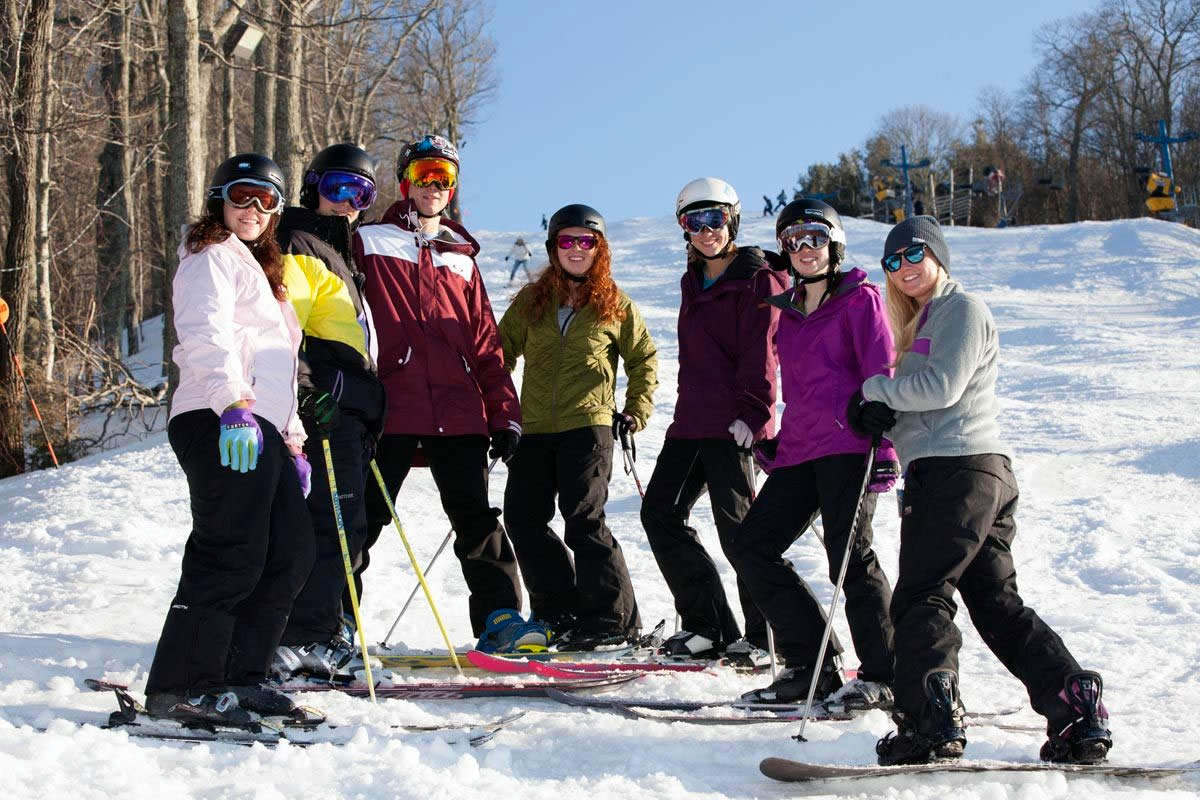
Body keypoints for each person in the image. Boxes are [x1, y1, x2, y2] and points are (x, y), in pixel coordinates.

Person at [857, 216, 1111, 766]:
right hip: (969, 476)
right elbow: (923, 406)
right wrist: (881, 418)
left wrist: (876, 391)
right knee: (995, 604)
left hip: (957, 472)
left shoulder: (961, 309)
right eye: (892, 262)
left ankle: (930, 722)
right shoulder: (926, 321)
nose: (903, 269)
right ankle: (1074, 707)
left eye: (914, 254)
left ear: (939, 256)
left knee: (922, 596)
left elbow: (942, 388)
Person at [144, 154, 313, 724]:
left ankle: (242, 676)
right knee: (231, 552)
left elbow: (279, 368)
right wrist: (233, 405)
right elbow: (204, 335)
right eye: (244, 195)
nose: (254, 210)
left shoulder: (266, 279)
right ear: (220, 198)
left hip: (262, 428)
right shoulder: (209, 256)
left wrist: (293, 439)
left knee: (290, 553)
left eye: (269, 201)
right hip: (217, 416)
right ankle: (183, 687)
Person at [352, 134, 527, 642]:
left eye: (445, 177)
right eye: (425, 172)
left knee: (477, 520)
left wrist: (503, 413)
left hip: (458, 409)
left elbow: (486, 344)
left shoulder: (462, 259)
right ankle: (334, 621)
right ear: (406, 180)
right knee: (364, 515)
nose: (434, 184)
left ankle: (502, 619)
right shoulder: (370, 241)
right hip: (391, 406)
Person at [728, 199, 898, 707]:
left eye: (815, 237)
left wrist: (883, 441)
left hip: (850, 445)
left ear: (834, 244)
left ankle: (884, 674)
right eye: (793, 241)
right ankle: (813, 665)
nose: (804, 249)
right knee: (752, 546)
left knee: (849, 559)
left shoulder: (860, 299)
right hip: (802, 451)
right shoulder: (788, 314)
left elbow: (881, 368)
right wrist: (780, 440)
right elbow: (797, 390)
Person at [639, 178, 786, 663]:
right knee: (659, 513)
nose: (706, 231)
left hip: (734, 423)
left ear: (733, 220)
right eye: (693, 221)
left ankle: (765, 636)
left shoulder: (758, 279)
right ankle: (710, 627)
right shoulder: (691, 280)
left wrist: (754, 414)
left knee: (740, 532)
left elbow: (762, 352)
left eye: (715, 219)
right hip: (691, 422)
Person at [499, 204, 657, 649]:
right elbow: (498, 353)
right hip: (532, 430)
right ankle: (560, 612)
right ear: (553, 247)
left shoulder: (615, 304)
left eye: (585, 241)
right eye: (567, 241)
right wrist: (497, 409)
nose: (576, 249)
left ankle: (613, 621)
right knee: (523, 519)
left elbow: (644, 359)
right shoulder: (531, 302)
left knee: (584, 520)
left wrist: (635, 409)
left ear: (599, 249)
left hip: (588, 426)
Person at [271, 143, 387, 681]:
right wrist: (311, 389)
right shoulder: (298, 241)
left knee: (349, 526)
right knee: (333, 523)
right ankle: (308, 636)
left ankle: (322, 627)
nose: (348, 202)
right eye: (338, 187)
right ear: (312, 186)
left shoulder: (340, 255)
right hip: (324, 406)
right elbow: (281, 328)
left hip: (349, 408)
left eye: (360, 193)